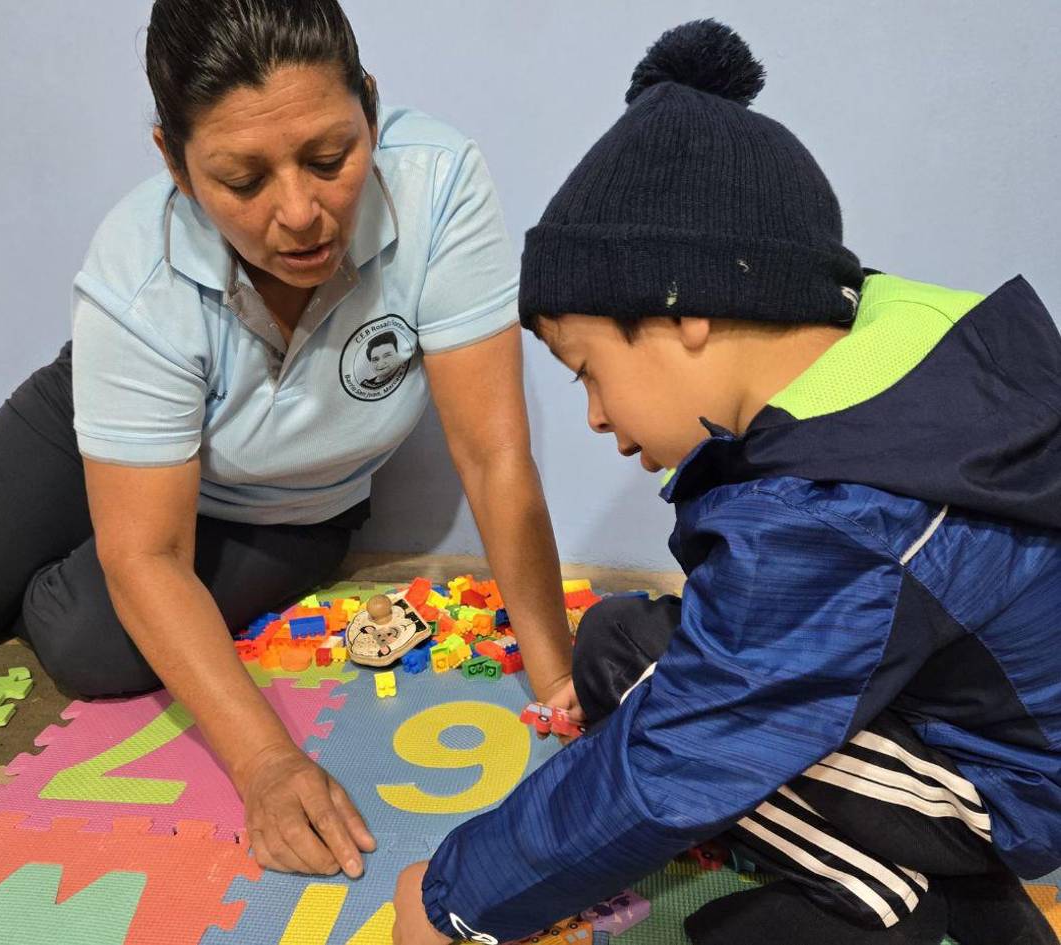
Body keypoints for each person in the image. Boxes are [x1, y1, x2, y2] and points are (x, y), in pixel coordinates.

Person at [0, 0, 576, 884]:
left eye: (331, 159)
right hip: (99, 431)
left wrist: (563, 688)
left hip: (291, 505)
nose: (301, 213)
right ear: (174, 163)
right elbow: (146, 554)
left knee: (86, 643)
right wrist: (268, 764)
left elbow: (493, 456)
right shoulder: (136, 271)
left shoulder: (441, 186)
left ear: (369, 104)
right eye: (243, 181)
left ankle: (13, 548)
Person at [393, 20, 1060, 945]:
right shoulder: (869, 342)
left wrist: (455, 900)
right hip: (940, 688)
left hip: (1001, 780)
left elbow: (680, 756)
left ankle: (933, 907)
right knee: (620, 642)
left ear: (684, 312)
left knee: (700, 822)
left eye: (588, 368)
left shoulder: (835, 517)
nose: (592, 413)